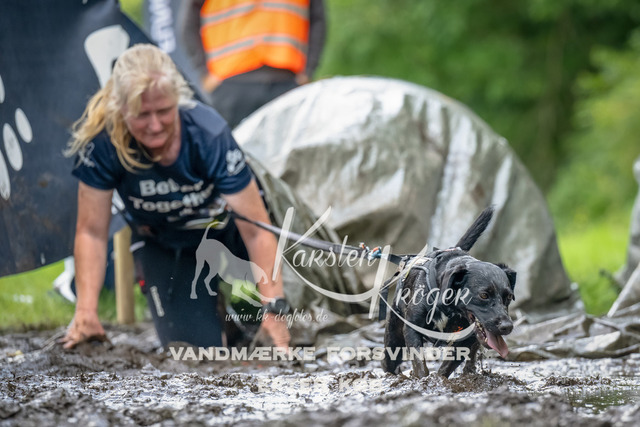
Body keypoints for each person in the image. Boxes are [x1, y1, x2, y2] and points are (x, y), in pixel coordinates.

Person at [60, 43, 290, 350]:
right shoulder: (103, 144)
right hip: (167, 245)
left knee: (289, 309)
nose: (155, 126)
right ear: (121, 109)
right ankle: (217, 316)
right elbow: (91, 232)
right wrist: (86, 313)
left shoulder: (209, 134)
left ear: (178, 101)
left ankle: (247, 310)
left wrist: (274, 308)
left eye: (164, 111)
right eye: (142, 115)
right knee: (192, 353)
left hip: (228, 234)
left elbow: (258, 231)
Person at [177, 0, 326, 129]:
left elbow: (317, 19)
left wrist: (308, 70)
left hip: (286, 82)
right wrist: (205, 72)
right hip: (231, 86)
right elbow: (188, 25)